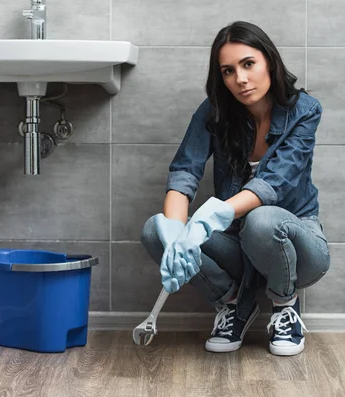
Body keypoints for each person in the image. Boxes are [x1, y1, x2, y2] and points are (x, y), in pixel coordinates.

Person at [141, 21, 330, 356]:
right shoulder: (214, 112)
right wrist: (175, 234)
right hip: (237, 244)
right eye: (228, 71)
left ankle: (285, 304)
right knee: (155, 230)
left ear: (268, 61)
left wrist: (218, 212)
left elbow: (275, 182)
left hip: (298, 247)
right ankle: (234, 305)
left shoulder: (304, 111)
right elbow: (185, 171)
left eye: (248, 64)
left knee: (262, 220)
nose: (240, 79)